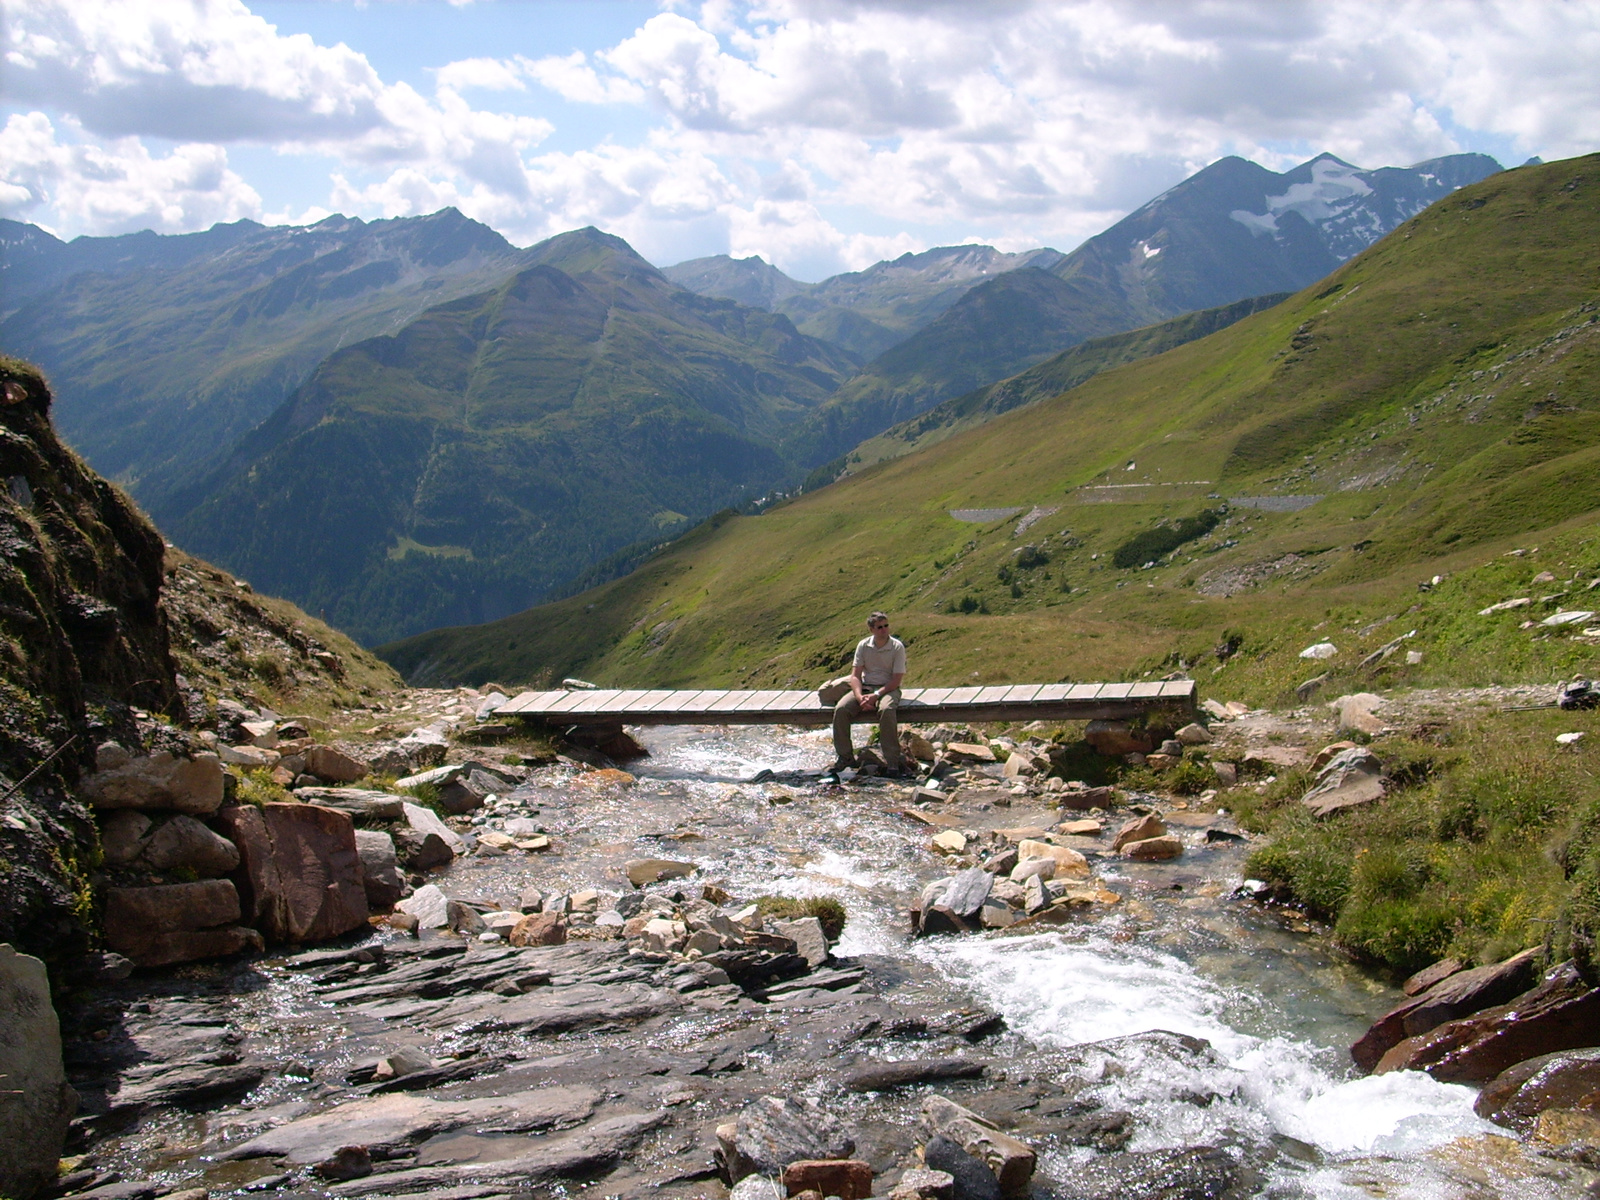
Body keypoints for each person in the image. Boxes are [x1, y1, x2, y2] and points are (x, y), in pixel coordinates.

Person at [831, 611, 907, 776]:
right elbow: (855, 675)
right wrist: (859, 697)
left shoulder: (896, 647)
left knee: (886, 710)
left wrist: (876, 696)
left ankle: (892, 761)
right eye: (880, 627)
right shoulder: (864, 646)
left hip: (888, 688)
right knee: (841, 710)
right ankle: (845, 758)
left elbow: (896, 679)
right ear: (871, 629)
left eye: (886, 626)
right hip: (865, 687)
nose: (884, 630)